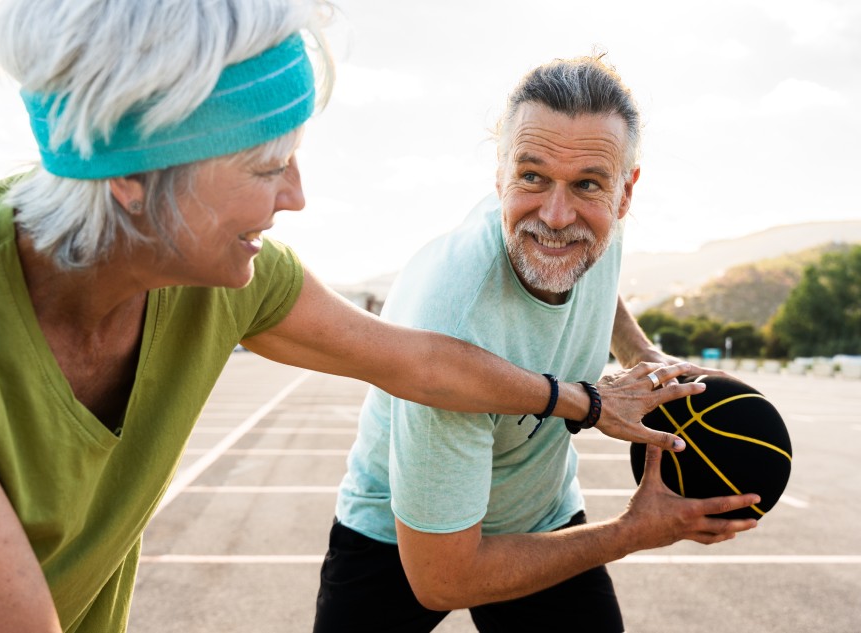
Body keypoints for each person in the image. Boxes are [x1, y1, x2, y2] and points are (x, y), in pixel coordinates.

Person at [0, 3, 710, 632]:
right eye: (266, 165)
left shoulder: (227, 274)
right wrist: (632, 525)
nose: (297, 195)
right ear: (133, 174)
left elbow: (418, 362)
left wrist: (592, 402)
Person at [314, 54, 760, 633]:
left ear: (625, 194)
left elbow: (593, 270)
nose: (554, 215)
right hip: (400, 538)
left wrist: (641, 353)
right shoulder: (453, 322)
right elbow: (442, 580)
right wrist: (633, 531)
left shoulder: (597, 229)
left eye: (587, 185)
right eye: (531, 176)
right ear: (498, 173)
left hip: (537, 512)